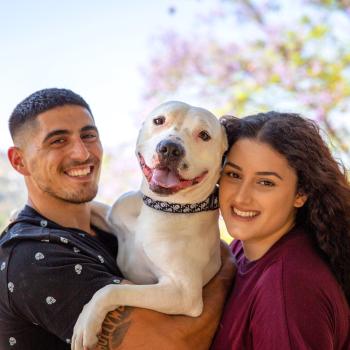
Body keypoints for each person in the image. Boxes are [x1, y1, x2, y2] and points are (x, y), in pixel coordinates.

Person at [0, 88, 235, 350]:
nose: (82, 153)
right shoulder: (34, 259)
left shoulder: (108, 223)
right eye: (58, 141)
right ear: (19, 161)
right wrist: (227, 271)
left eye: (88, 136)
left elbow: (116, 219)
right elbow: (176, 343)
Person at [211, 112, 350, 349]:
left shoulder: (286, 286)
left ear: (301, 193)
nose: (241, 197)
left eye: (265, 182)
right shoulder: (242, 252)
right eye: (233, 175)